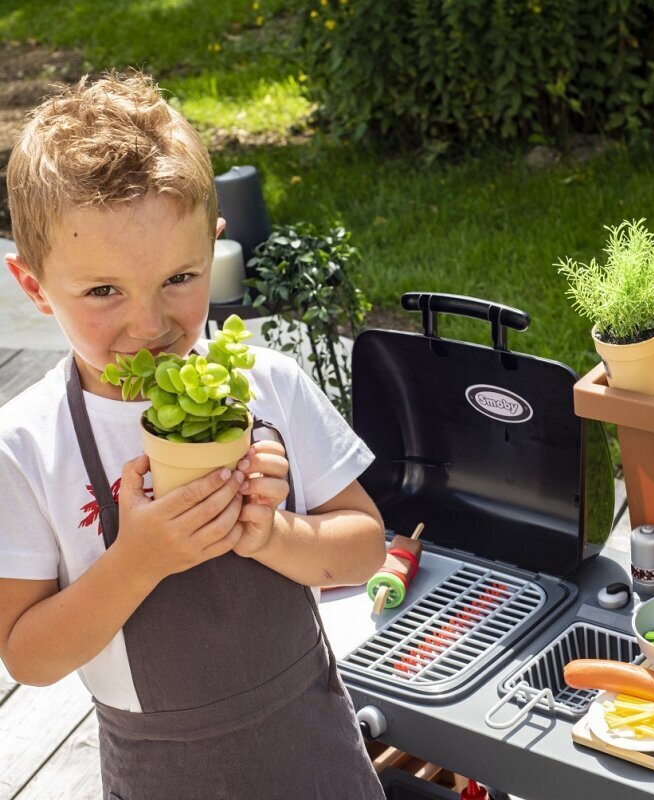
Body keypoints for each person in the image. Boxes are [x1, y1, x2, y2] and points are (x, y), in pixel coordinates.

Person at [0, 71, 387, 799]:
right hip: (161, 774)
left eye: (180, 277)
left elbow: (366, 549)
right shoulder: (25, 446)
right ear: (32, 285)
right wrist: (136, 560)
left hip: (314, 749)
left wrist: (273, 533)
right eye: (103, 291)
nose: (149, 324)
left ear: (217, 248)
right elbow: (29, 656)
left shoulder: (266, 384)